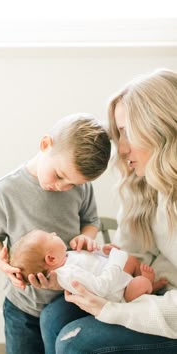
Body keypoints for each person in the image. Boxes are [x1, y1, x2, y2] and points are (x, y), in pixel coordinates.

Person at [40, 69, 177, 354]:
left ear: (160, 127)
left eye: (126, 132)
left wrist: (111, 309)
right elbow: (135, 255)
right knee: (53, 317)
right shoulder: (148, 183)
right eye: (118, 134)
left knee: (75, 343)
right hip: (156, 287)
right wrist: (78, 270)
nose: (122, 148)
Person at [0, 113, 111, 354]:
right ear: (45, 145)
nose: (63, 187)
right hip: (23, 304)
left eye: (72, 183)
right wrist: (2, 263)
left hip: (68, 299)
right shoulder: (7, 190)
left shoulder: (81, 188)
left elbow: (90, 221)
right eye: (60, 176)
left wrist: (87, 237)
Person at [10, 229, 166, 303]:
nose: (54, 233)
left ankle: (148, 285)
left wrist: (103, 251)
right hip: (120, 292)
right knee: (140, 283)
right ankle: (149, 288)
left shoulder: (67, 257)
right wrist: (116, 260)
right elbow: (101, 287)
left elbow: (93, 262)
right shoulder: (69, 275)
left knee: (131, 260)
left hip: (116, 275)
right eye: (51, 237)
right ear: (51, 258)